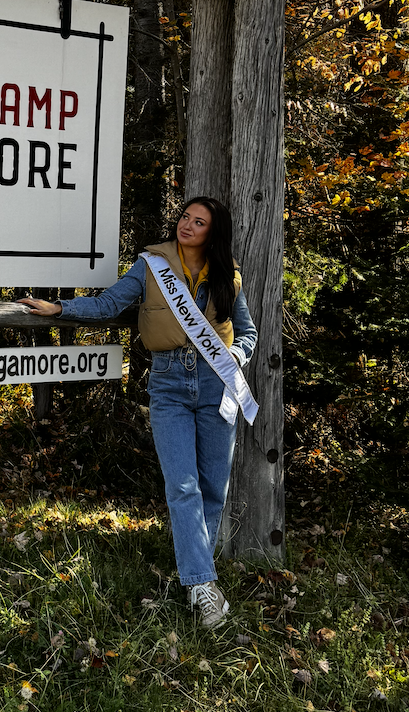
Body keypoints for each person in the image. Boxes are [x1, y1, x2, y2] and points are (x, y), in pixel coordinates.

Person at [19, 196, 257, 627]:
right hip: (168, 382)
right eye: (185, 217)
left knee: (213, 487)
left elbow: (248, 332)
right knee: (182, 485)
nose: (187, 225)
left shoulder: (228, 274)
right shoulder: (152, 265)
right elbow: (110, 304)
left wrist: (236, 356)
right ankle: (202, 586)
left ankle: (198, 575)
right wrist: (61, 309)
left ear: (212, 232)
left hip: (216, 381)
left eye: (198, 222)